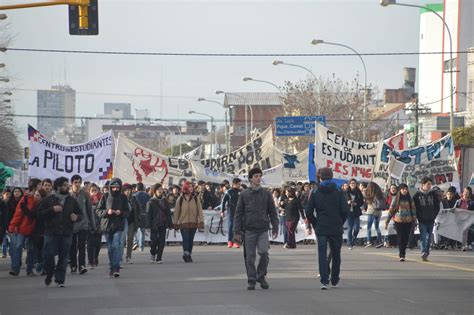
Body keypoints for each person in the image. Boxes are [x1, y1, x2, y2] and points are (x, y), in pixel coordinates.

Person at [234, 167, 279, 290]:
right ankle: (251, 279)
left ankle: (261, 275)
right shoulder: (244, 195)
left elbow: (272, 212)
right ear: (250, 179)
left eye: (260, 176)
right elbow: (238, 213)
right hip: (249, 230)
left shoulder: (266, 194)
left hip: (263, 229)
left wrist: (275, 227)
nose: (259, 178)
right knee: (250, 257)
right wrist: (237, 231)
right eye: (256, 176)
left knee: (264, 253)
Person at [305, 168, 348, 290]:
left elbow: (308, 211)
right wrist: (340, 221)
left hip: (321, 225)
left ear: (320, 177)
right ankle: (334, 279)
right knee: (336, 254)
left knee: (322, 254)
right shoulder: (339, 190)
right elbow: (345, 210)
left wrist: (315, 223)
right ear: (332, 176)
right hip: (336, 225)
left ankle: (324, 280)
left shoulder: (315, 191)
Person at [38, 177, 82, 287]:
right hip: (51, 232)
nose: (67, 187)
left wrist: (76, 217)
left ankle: (60, 280)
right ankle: (49, 273)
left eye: (67, 185)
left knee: (63, 257)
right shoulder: (49, 199)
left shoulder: (71, 200)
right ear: (58, 187)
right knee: (48, 255)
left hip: (66, 233)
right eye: (64, 185)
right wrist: (52, 210)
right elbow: (39, 215)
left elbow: (81, 215)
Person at [8, 178, 42, 276]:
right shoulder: (25, 198)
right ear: (35, 186)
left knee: (31, 249)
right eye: (39, 185)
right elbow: (19, 213)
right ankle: (15, 268)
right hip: (21, 228)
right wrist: (14, 226)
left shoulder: (40, 198)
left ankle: (29, 270)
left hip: (33, 228)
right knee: (17, 247)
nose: (41, 187)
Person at [96, 178, 130, 278]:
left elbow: (127, 211)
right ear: (110, 187)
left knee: (116, 245)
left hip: (118, 225)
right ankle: (112, 267)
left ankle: (116, 268)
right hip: (107, 225)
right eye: (113, 187)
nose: (115, 189)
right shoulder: (105, 196)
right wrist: (107, 212)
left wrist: (121, 213)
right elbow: (98, 211)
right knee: (110, 248)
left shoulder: (123, 197)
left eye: (117, 187)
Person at [173, 181, 204, 263]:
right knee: (185, 239)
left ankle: (189, 253)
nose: (191, 188)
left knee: (191, 240)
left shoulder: (196, 198)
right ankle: (186, 254)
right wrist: (175, 223)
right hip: (183, 223)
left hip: (193, 223)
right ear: (185, 187)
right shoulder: (180, 199)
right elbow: (176, 212)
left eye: (192, 186)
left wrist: (201, 222)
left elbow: (200, 211)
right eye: (189, 186)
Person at [385, 184, 417, 262]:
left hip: (408, 221)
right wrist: (387, 220)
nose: (404, 191)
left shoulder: (410, 199)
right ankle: (401, 254)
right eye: (403, 189)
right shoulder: (396, 199)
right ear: (400, 190)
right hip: (398, 221)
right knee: (400, 237)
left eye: (406, 189)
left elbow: (413, 211)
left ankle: (403, 252)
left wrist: (414, 221)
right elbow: (391, 210)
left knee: (406, 238)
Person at [413, 177, 440, 261]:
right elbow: (414, 207)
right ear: (423, 184)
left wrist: (434, 215)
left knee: (429, 238)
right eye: (428, 184)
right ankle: (423, 252)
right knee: (423, 236)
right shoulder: (417, 195)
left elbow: (437, 206)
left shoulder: (433, 194)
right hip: (422, 220)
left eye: (430, 184)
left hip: (431, 219)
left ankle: (426, 252)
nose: (429, 186)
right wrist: (418, 216)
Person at [69, 175, 92, 275]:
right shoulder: (68, 195)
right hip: (71, 225)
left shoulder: (85, 194)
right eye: (75, 182)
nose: (78, 184)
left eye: (79, 182)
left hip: (83, 224)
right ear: (72, 183)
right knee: (72, 246)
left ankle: (82, 265)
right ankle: (73, 266)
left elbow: (89, 209)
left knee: (81, 245)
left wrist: (91, 223)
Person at [146, 183, 173, 264]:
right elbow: (148, 214)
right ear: (154, 191)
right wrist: (148, 225)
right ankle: (153, 253)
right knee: (154, 241)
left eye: (161, 189)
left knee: (161, 241)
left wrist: (170, 224)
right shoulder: (150, 202)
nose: (160, 191)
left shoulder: (165, 201)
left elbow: (168, 213)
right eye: (158, 189)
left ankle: (159, 257)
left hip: (163, 224)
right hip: (154, 225)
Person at [220, 177, 241, 248]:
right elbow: (223, 202)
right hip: (231, 211)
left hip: (238, 212)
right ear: (234, 184)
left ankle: (236, 242)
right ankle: (230, 241)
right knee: (231, 225)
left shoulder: (240, 191)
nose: (239, 185)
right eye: (238, 184)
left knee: (237, 227)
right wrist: (222, 211)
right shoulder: (228, 192)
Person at [3, 187, 24, 258]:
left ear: (21, 193)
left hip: (22, 226)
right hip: (11, 225)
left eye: (18, 191)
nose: (17, 193)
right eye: (15, 191)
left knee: (19, 245)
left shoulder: (24, 202)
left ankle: (17, 262)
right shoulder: (9, 202)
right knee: (13, 245)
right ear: (13, 193)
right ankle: (15, 261)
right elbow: (6, 215)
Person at [123, 183, 141, 264]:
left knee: (130, 239)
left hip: (131, 221)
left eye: (129, 190)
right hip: (122, 221)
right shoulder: (120, 198)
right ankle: (119, 257)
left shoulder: (134, 199)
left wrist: (138, 218)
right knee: (121, 240)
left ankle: (128, 256)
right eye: (126, 190)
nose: (128, 192)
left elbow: (139, 209)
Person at [343, 179, 364, 249]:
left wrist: (356, 203)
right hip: (348, 212)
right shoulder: (346, 192)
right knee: (350, 227)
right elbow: (342, 201)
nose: (353, 184)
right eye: (351, 183)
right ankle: (349, 243)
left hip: (356, 212)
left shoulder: (358, 192)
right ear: (349, 184)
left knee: (357, 228)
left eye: (354, 183)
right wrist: (347, 202)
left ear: (356, 184)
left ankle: (353, 239)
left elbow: (362, 202)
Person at [364, 182, 385, 248]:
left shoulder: (369, 194)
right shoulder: (380, 194)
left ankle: (369, 241)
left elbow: (365, 198)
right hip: (378, 212)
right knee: (377, 227)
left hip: (371, 212)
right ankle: (380, 241)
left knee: (369, 227)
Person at [454, 187, 474, 251]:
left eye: (467, 193)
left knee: (465, 232)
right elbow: (454, 209)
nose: (465, 194)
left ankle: (465, 245)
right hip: (460, 219)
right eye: (465, 192)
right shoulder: (458, 201)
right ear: (462, 193)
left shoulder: (471, 202)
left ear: (469, 194)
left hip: (468, 219)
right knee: (462, 232)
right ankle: (463, 244)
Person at [87, 184, 102, 268]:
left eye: (95, 190)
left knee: (98, 244)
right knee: (90, 244)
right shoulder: (87, 200)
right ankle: (90, 261)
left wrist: (98, 204)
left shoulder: (101, 200)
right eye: (92, 191)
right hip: (89, 226)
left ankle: (95, 257)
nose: (94, 193)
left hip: (99, 225)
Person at [133, 182, 150, 252]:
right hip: (144, 214)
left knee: (134, 230)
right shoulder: (147, 196)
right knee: (142, 231)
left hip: (136, 214)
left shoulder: (134, 196)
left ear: (137, 188)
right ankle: (141, 247)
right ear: (143, 188)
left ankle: (135, 242)